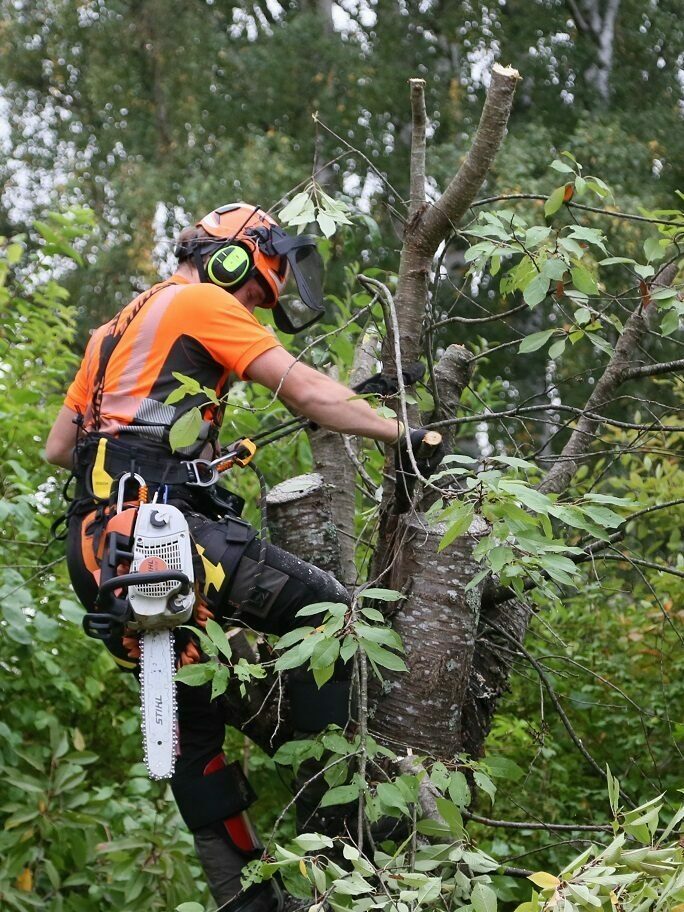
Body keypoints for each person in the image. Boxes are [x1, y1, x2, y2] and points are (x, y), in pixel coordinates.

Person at [45, 203, 439, 910]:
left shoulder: (116, 327)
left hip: (98, 549)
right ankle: (345, 840)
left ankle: (247, 903)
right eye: (257, 289)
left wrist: (170, 457)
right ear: (231, 255)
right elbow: (306, 389)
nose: (258, 306)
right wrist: (401, 429)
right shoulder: (199, 299)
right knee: (332, 615)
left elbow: (59, 447)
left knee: (192, 730)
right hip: (166, 535)